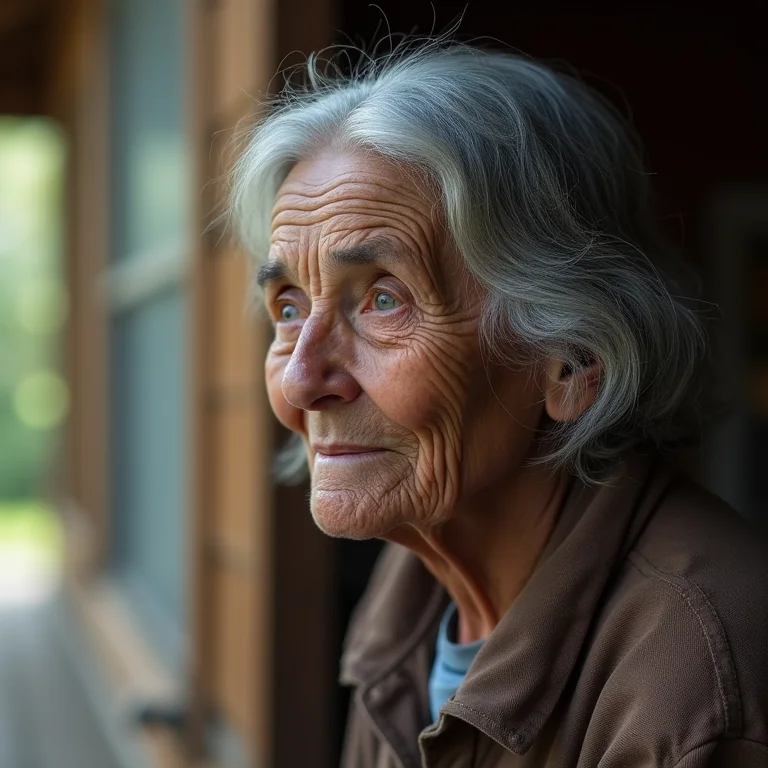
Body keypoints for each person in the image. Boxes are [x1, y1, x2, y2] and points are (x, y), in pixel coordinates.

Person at [229, 40, 768, 767]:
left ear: (573, 361)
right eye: (289, 306)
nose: (299, 380)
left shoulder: (699, 680)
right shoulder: (417, 588)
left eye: (384, 299)